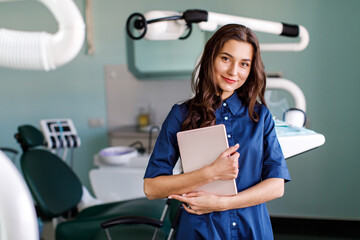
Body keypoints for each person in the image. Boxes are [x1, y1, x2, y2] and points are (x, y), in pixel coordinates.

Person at [143, 24, 290, 239]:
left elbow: (276, 186)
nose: (233, 71)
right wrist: (210, 172)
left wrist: (222, 203)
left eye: (244, 64)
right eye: (226, 59)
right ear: (211, 57)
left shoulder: (260, 117)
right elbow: (151, 188)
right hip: (200, 231)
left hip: (252, 230)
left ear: (251, 69)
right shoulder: (181, 115)